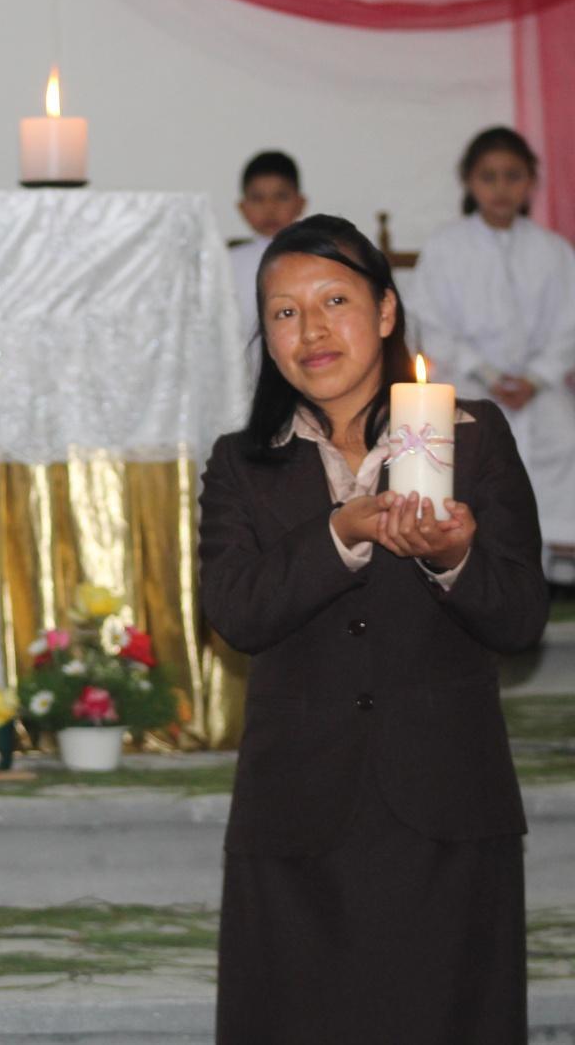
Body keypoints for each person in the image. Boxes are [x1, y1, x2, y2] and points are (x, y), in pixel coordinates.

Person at [201, 214, 545, 1042]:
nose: (310, 330)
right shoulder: (244, 464)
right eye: (283, 312)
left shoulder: (471, 436)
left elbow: (521, 617)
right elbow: (236, 611)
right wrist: (341, 531)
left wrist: (456, 558)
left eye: (334, 301)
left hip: (444, 810)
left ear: (386, 312)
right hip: (299, 818)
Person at [410, 126, 575, 586]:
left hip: (537, 389)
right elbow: (431, 324)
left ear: (529, 183)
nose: (501, 188)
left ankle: (555, 573)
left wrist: (537, 379)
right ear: (469, 182)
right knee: (470, 455)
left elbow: (569, 323)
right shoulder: (446, 248)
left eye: (512, 176)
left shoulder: (553, 251)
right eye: (489, 177)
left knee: (564, 439)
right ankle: (478, 570)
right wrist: (485, 372)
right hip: (472, 383)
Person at [228, 150, 306, 366]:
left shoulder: (315, 257)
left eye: (281, 197)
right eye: (258, 198)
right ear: (242, 208)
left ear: (300, 203)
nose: (270, 208)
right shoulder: (227, 263)